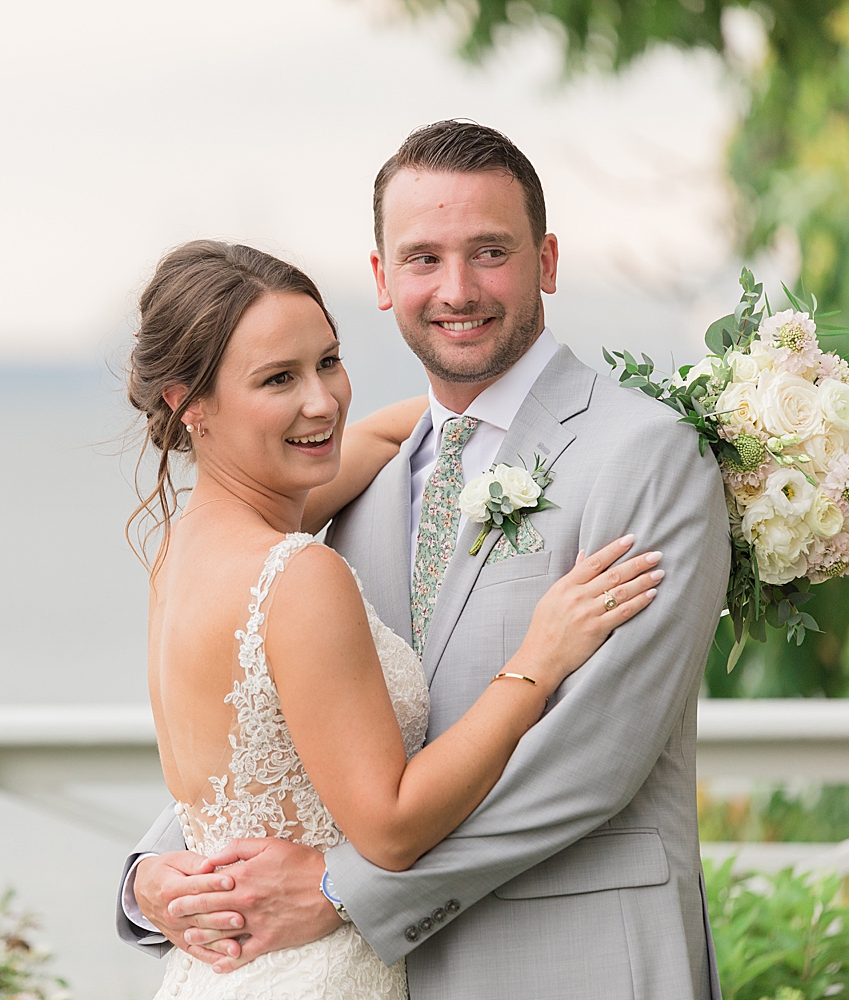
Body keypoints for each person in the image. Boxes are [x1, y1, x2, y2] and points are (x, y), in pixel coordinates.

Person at [119, 122, 731, 1000]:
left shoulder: (645, 455)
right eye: (421, 258)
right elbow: (283, 726)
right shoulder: (348, 480)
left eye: (490, 252)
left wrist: (343, 888)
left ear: (547, 261)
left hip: (577, 960)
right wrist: (154, 874)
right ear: (380, 278)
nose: (457, 289)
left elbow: (594, 759)